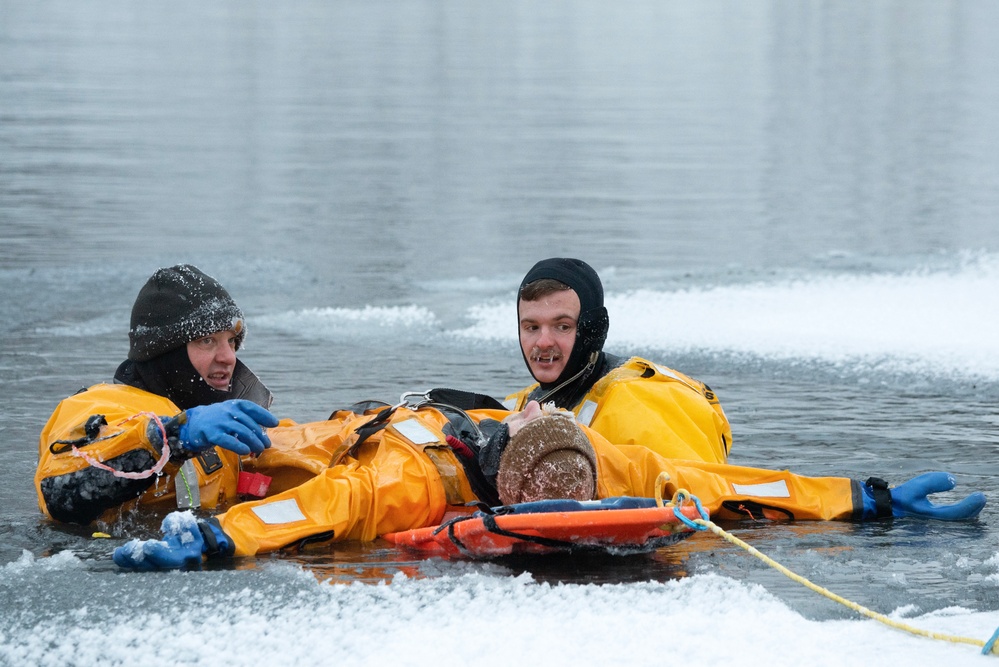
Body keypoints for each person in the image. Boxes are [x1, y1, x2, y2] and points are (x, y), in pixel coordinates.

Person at [112, 398, 985, 570]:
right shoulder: (411, 472)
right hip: (328, 439)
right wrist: (222, 528)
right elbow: (326, 500)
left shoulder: (612, 464)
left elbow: (729, 486)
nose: (528, 411)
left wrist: (864, 496)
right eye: (527, 418)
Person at [34, 264, 280, 525]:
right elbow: (59, 493)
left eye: (231, 341)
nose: (229, 357)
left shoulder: (223, 420)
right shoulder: (95, 407)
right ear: (167, 353)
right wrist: (170, 438)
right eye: (207, 340)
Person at [505, 257, 732, 464]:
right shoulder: (517, 407)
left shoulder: (640, 403)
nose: (543, 342)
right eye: (532, 327)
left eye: (562, 326)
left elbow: (696, 490)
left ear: (592, 331)